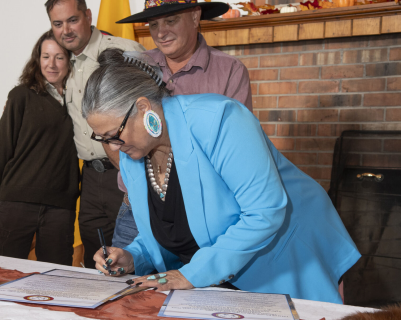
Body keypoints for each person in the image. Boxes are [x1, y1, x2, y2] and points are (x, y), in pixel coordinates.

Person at [85, 49, 360, 303]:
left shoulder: (221, 120)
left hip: (283, 259)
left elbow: (265, 211)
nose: (113, 148)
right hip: (218, 278)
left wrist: (192, 274)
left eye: (114, 135)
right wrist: (134, 255)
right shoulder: (133, 152)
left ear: (144, 108)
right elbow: (171, 226)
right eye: (104, 139)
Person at [112, 0, 253, 248]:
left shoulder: (230, 71)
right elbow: (110, 129)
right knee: (125, 281)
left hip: (203, 214)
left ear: (195, 16)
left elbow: (239, 148)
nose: (160, 32)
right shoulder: (134, 67)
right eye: (153, 24)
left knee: (194, 285)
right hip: (138, 210)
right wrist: (129, 173)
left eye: (171, 20)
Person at [44, 0, 146, 268]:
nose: (65, 29)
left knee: (131, 250)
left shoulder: (123, 52)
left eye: (72, 20)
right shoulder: (63, 65)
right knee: (96, 255)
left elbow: (154, 109)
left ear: (88, 16)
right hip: (90, 177)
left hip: (126, 168)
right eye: (57, 23)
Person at [0, 30, 80, 266]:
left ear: (70, 60)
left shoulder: (81, 100)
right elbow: (0, 151)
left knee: (57, 281)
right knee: (3, 276)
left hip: (60, 208)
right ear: (37, 60)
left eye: (59, 57)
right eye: (46, 56)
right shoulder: (20, 96)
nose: (52, 64)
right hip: (16, 203)